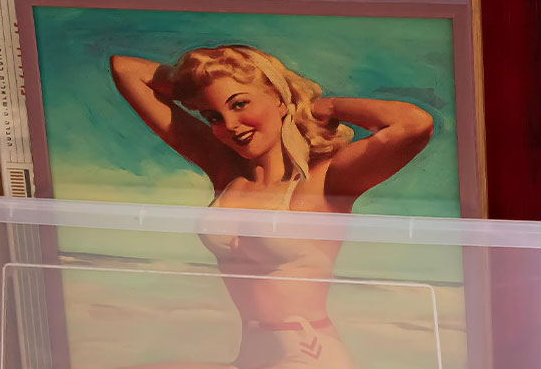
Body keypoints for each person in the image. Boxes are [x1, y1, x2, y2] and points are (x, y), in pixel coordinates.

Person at [109, 45, 435, 368]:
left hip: (308, 355)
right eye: (213, 117)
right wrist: (195, 84)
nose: (231, 125)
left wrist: (327, 106)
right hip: (250, 353)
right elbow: (125, 68)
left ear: (279, 99)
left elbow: (413, 125)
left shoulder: (325, 179)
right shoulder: (224, 169)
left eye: (239, 104)